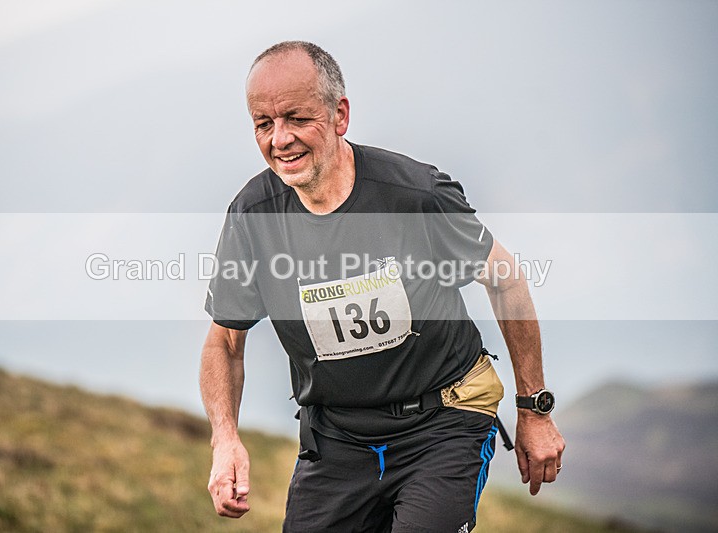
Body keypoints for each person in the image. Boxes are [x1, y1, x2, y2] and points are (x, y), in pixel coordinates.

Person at [200, 40, 565, 532]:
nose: (279, 139)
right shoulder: (252, 216)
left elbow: (505, 280)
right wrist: (225, 439)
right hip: (338, 439)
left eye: (296, 118)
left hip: (444, 419)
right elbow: (225, 341)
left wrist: (534, 407)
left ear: (339, 114)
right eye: (264, 124)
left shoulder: (414, 195)